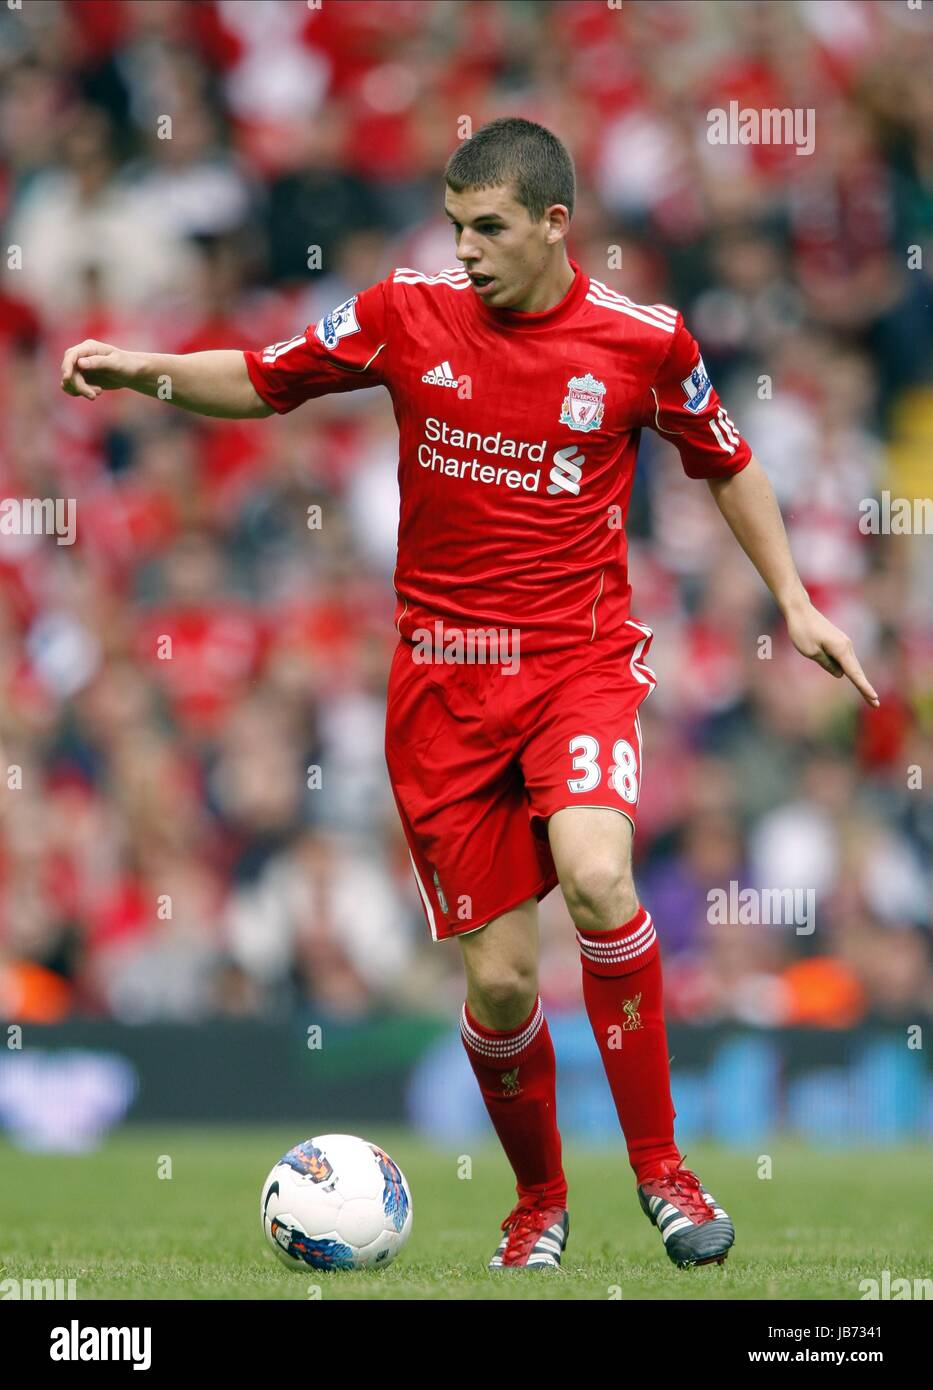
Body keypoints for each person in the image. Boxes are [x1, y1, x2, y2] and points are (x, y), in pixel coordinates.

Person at [61, 116, 878, 1273]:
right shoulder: (406, 314)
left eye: (488, 228)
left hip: (578, 664)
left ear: (555, 223)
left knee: (599, 877)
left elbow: (728, 460)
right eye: (454, 228)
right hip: (441, 686)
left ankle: (665, 1172)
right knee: (499, 982)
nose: (467, 251)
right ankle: (538, 1201)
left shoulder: (643, 342)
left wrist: (794, 600)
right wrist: (143, 367)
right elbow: (264, 378)